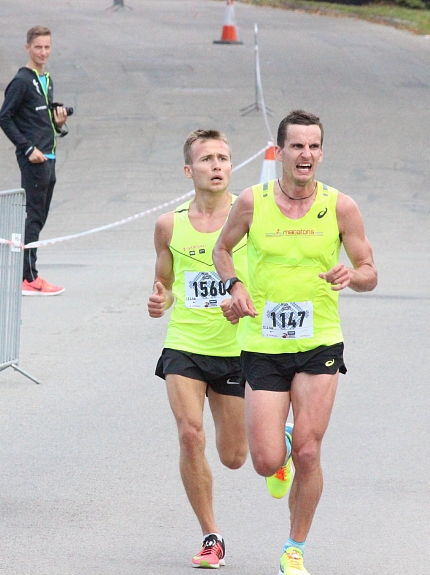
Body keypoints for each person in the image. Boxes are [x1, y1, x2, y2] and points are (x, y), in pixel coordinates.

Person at [212, 110, 377, 575]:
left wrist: (354, 274)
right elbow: (221, 250)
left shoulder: (341, 206)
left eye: (314, 146)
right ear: (280, 151)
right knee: (266, 462)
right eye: (297, 146)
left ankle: (295, 547)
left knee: (309, 450)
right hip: (263, 342)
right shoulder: (252, 201)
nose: (306, 155)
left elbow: (369, 270)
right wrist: (234, 286)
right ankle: (280, 448)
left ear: (322, 153)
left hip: (319, 341)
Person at [148, 130, 249, 569]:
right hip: (185, 344)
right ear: (190, 170)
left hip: (238, 347)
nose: (216, 165)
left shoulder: (251, 216)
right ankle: (212, 536)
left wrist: (245, 302)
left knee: (234, 457)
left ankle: (277, 437)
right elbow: (166, 285)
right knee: (190, 433)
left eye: (223, 158)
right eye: (207, 159)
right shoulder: (169, 225)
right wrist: (160, 301)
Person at [0, 25, 69, 296]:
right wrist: (27, 149)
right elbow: (4, 118)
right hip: (34, 159)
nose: (43, 52)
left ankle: (29, 274)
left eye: (47, 47)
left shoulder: (46, 79)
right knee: (33, 216)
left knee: (39, 217)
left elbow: (44, 122)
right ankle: (28, 277)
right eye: (38, 47)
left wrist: (59, 124)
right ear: (27, 48)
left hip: (49, 156)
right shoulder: (21, 81)